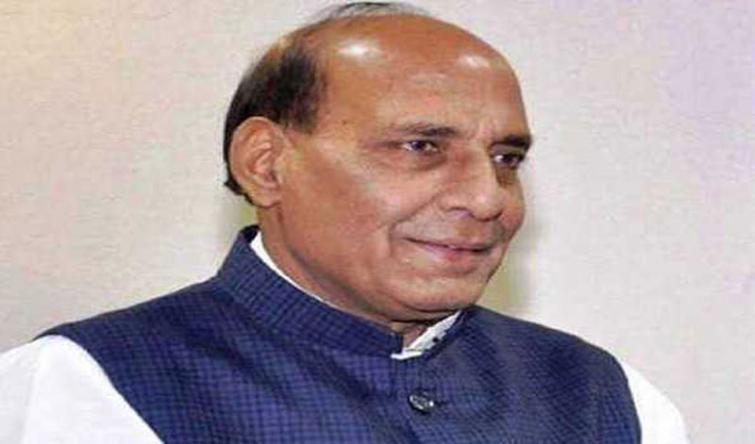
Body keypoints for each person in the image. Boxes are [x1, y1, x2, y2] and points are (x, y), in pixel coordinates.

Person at [0, 3, 690, 443]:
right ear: (266, 164)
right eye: (421, 147)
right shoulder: (89, 385)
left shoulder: (604, 397)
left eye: (506, 158)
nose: (487, 199)